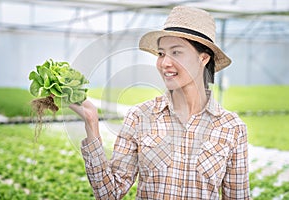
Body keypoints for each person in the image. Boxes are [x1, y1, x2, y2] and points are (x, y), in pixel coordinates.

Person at [70, 6, 250, 199]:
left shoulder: (232, 128)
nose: (164, 63)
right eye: (161, 54)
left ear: (203, 58)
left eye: (176, 52)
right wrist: (91, 122)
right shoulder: (140, 117)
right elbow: (109, 194)